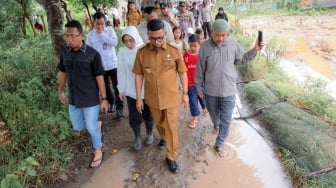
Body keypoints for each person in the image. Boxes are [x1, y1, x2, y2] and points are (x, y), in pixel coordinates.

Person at [194, 19, 264, 157]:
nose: (221, 38)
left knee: (226, 118)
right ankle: (216, 124)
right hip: (211, 91)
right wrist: (198, 87)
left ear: (228, 34)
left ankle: (219, 144)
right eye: (218, 35)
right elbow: (200, 69)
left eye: (224, 35)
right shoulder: (205, 47)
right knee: (214, 115)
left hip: (229, 90)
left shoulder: (233, 45)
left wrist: (255, 49)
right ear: (212, 32)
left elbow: (242, 59)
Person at [133, 19, 189, 173]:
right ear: (148, 36)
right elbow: (138, 76)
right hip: (152, 99)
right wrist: (139, 98)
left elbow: (183, 72)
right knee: (160, 125)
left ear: (165, 34)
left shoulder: (174, 50)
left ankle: (171, 156)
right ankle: (166, 138)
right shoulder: (142, 53)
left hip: (171, 98)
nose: (157, 42)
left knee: (171, 127)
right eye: (153, 38)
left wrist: (185, 93)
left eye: (160, 38)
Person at [58, 20, 108, 168]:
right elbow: (62, 73)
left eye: (73, 36)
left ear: (82, 35)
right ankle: (97, 126)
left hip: (90, 98)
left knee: (91, 128)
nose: (70, 39)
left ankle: (98, 151)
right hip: (73, 98)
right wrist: (60, 91)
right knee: (78, 127)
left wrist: (104, 98)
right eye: (67, 36)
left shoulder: (93, 55)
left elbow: (100, 77)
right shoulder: (65, 52)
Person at [117, 26, 154, 150]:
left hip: (147, 89)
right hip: (131, 90)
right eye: (126, 41)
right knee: (134, 116)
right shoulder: (122, 52)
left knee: (148, 114)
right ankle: (137, 136)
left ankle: (149, 133)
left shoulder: (144, 50)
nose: (129, 44)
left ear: (136, 38)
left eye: (131, 40)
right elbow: (121, 71)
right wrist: (121, 89)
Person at [86, 12, 124, 117]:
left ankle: (120, 107)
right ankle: (112, 103)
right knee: (105, 87)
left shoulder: (110, 31)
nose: (99, 26)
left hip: (113, 64)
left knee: (117, 86)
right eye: (97, 23)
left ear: (105, 22)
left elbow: (114, 43)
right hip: (99, 67)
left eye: (102, 23)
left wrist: (102, 34)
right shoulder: (90, 35)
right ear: (93, 22)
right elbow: (88, 51)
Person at [183, 34, 208, 129]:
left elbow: (206, 70)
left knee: (202, 97)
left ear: (199, 45)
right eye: (191, 45)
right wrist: (183, 84)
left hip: (201, 83)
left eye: (195, 46)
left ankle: (204, 107)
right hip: (190, 84)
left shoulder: (202, 56)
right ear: (188, 44)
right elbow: (183, 71)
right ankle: (195, 118)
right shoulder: (185, 56)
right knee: (193, 101)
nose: (193, 48)